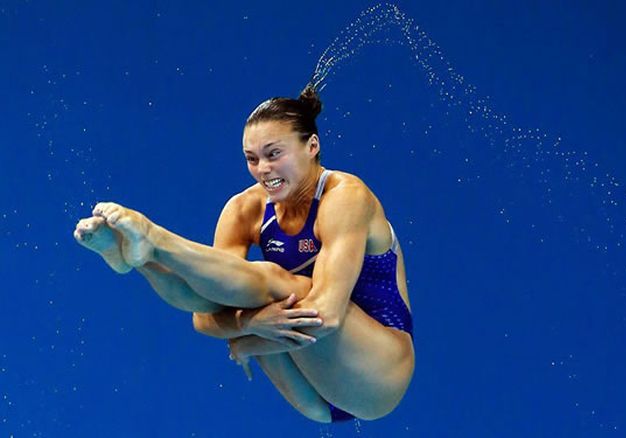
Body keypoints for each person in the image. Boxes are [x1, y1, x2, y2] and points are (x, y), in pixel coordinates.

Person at [73, 84, 414, 423]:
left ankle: (154, 239)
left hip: (379, 375)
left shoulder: (345, 197)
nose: (262, 169)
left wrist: (249, 341)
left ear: (312, 146)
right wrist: (251, 325)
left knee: (278, 282)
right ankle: (139, 257)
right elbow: (204, 316)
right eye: (252, 159)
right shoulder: (244, 209)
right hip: (312, 395)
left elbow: (326, 316)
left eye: (274, 154)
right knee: (239, 297)